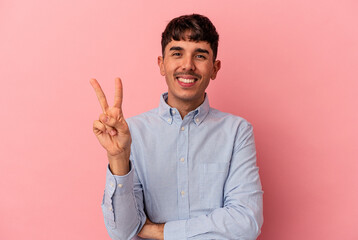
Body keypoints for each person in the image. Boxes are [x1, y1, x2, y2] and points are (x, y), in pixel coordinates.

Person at [90, 14, 263, 240]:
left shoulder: (237, 132)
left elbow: (246, 223)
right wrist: (119, 158)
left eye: (200, 55)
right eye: (177, 53)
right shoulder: (132, 132)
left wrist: (159, 231)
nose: (188, 65)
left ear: (215, 68)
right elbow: (122, 231)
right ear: (162, 64)